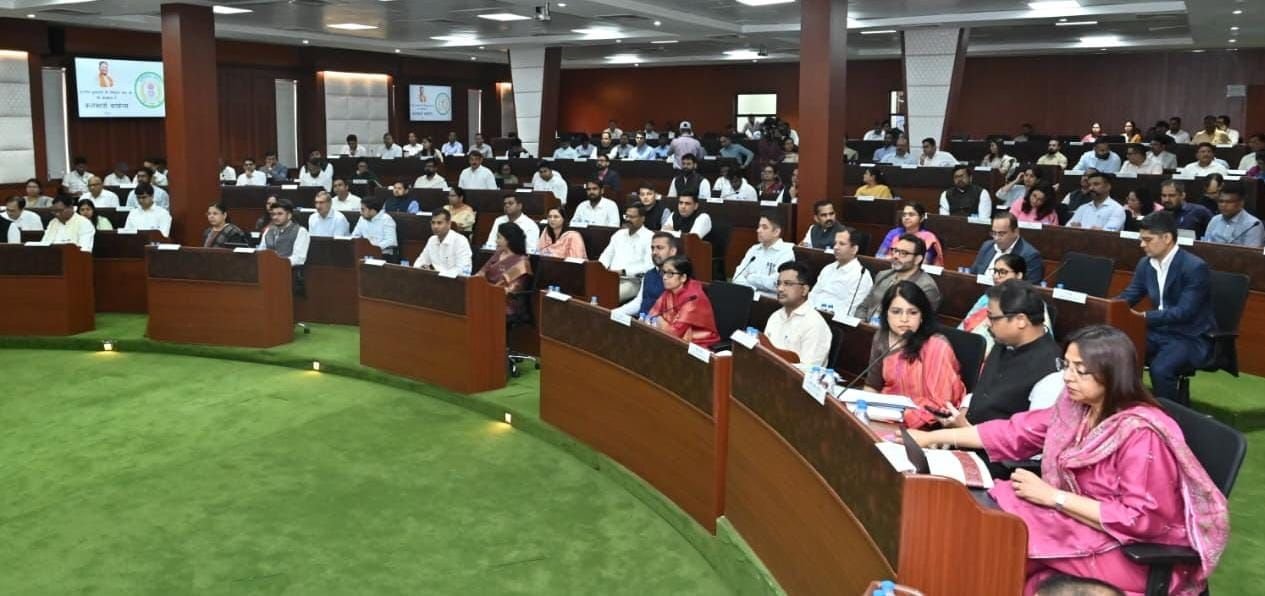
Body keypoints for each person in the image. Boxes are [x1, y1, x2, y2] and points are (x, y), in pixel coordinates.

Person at [908, 325, 1229, 595]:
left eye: (1081, 371)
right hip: (1079, 523)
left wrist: (1053, 497)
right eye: (1067, 366)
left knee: (1003, 546)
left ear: (1112, 375)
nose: (1068, 378)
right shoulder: (1076, 407)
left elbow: (1141, 520)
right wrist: (933, 437)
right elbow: (1014, 432)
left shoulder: (1140, 434)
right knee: (991, 528)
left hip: (1130, 551)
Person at [933, 280, 1062, 429]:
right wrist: (962, 412)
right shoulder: (1005, 340)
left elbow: (1031, 436)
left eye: (992, 318)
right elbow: (984, 391)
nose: (987, 323)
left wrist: (964, 430)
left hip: (986, 441)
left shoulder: (1050, 371)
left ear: (1020, 320)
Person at [1117, 211, 1216, 402]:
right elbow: (1130, 295)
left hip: (1189, 336)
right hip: (1157, 331)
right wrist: (1109, 308)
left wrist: (1143, 317)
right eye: (1141, 239)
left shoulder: (1194, 267)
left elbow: (1184, 312)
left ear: (1167, 238)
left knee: (1160, 369)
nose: (1142, 244)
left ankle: (1169, 415)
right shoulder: (1145, 264)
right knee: (1118, 352)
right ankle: (1128, 406)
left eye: (1147, 239)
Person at [862, 281, 965, 429]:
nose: (904, 319)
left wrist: (905, 415)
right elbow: (872, 386)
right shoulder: (882, 336)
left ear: (922, 316)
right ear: (886, 314)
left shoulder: (937, 346)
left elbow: (942, 403)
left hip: (927, 425)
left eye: (912, 312)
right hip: (886, 414)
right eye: (896, 312)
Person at [960, 253, 1053, 353]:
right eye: (995, 271)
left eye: (1002, 272)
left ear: (1019, 275)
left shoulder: (1032, 302)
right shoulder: (986, 298)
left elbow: (1042, 340)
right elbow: (964, 324)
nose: (996, 276)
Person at [855, 233, 942, 322]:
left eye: (903, 253)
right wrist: (862, 323)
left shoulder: (926, 287)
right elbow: (863, 306)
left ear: (917, 259)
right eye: (895, 250)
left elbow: (920, 322)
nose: (895, 256)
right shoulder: (883, 275)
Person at [763, 261, 831, 367]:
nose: (780, 289)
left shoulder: (815, 324)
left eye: (788, 284)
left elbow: (809, 369)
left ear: (804, 290)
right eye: (779, 283)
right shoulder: (775, 316)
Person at [648, 255, 720, 348]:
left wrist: (659, 320)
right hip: (672, 337)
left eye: (670, 273)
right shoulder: (670, 290)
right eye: (663, 272)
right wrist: (659, 320)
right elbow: (651, 314)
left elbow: (674, 333)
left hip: (698, 342)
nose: (664, 277)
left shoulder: (693, 298)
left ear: (683, 278)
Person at [809, 226, 874, 315]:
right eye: (835, 243)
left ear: (854, 249)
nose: (835, 247)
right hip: (812, 314)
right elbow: (813, 295)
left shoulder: (861, 275)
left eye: (842, 244)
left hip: (834, 320)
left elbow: (852, 310)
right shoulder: (828, 268)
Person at [599, 203, 655, 302]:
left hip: (632, 282)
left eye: (632, 217)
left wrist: (623, 272)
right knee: (590, 291)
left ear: (642, 218)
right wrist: (600, 268)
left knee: (607, 296)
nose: (627, 219)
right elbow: (606, 255)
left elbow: (649, 266)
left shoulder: (649, 237)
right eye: (626, 216)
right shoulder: (619, 234)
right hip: (610, 277)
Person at [475, 222, 532, 317]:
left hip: (506, 301)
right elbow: (482, 272)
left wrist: (489, 291)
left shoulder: (522, 262)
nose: (496, 241)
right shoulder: (498, 253)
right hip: (488, 293)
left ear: (508, 240)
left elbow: (513, 289)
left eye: (499, 238)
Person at [616, 232, 679, 318]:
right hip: (642, 321)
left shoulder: (679, 277)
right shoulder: (649, 274)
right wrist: (614, 313)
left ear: (672, 251)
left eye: (659, 248)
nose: (654, 252)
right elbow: (638, 303)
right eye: (652, 248)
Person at [732, 212, 795, 298]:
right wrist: (752, 290)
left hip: (771, 300)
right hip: (749, 296)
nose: (758, 230)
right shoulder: (754, 249)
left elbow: (776, 283)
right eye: (759, 226)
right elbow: (737, 277)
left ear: (776, 232)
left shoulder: (787, 251)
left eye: (764, 227)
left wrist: (751, 277)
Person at [971, 211, 1045, 282]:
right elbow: (973, 274)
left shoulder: (1030, 255)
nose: (996, 238)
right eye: (994, 233)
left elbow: (1029, 287)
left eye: (1001, 234)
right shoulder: (987, 246)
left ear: (1016, 232)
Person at [878, 203, 943, 266]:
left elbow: (924, 263)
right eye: (904, 215)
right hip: (891, 267)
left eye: (911, 215)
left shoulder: (928, 237)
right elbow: (878, 256)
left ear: (922, 218)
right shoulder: (894, 233)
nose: (906, 217)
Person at [1203, 182, 1264, 247]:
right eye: (1221, 201)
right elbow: (1205, 245)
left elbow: (1251, 252)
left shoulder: (1253, 225)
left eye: (1229, 202)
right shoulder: (1215, 220)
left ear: (1241, 203)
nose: (1223, 205)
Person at [414, 209, 472, 275]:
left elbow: (463, 270)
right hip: (436, 279)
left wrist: (438, 274)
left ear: (449, 224)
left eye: (439, 223)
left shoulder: (460, 241)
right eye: (433, 223)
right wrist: (422, 267)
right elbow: (419, 262)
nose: (435, 226)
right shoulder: (432, 240)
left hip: (455, 280)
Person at [260, 199, 310, 267]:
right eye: (273, 214)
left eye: (280, 214)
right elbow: (261, 252)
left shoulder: (301, 232)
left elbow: (299, 258)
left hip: (289, 270)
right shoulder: (268, 231)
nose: (275, 217)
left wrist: (278, 263)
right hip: (267, 268)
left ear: (289, 215)